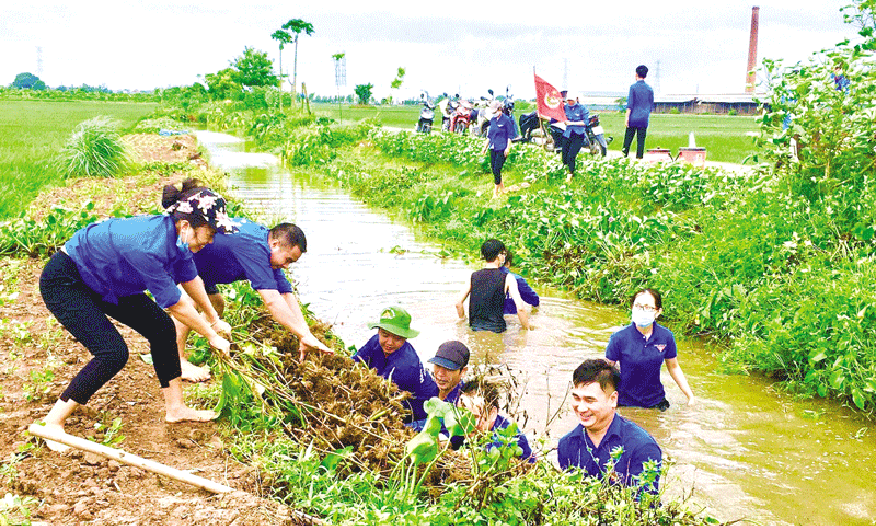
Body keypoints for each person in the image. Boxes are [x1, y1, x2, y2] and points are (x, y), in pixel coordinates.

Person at [37, 182, 236, 450]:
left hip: (109, 281)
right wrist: (211, 336)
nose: (210, 240)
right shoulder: (148, 246)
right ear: (187, 225)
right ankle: (52, 423)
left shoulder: (179, 241)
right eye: (209, 233)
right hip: (68, 280)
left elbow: (190, 279)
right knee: (112, 353)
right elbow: (176, 305)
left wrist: (213, 318)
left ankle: (176, 409)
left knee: (162, 329)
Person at [173, 209, 332, 381]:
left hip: (204, 268)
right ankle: (176, 361)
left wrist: (305, 333)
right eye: (288, 260)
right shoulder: (254, 247)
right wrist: (303, 335)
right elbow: (271, 301)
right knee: (188, 301)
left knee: (217, 306)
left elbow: (285, 294)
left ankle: (204, 341)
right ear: (276, 244)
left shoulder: (267, 246)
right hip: (183, 255)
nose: (287, 266)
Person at [557, 359, 662, 493]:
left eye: (590, 400)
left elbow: (645, 507)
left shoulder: (642, 447)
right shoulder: (566, 445)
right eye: (577, 398)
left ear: (613, 399)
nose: (581, 408)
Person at [605, 288, 695, 410]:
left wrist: (690, 396)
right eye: (638, 306)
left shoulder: (666, 336)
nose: (642, 310)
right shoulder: (619, 337)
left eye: (648, 307)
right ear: (632, 308)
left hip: (656, 401)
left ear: (658, 312)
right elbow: (606, 370)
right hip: (625, 402)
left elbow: (674, 367)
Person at [353, 306, 438, 422]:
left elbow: (380, 395)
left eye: (397, 338)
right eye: (385, 335)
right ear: (379, 332)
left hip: (418, 408)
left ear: (405, 338)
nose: (389, 343)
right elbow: (354, 361)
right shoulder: (375, 341)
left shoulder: (406, 365)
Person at [456, 239, 530, 333]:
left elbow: (458, 303)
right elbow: (520, 308)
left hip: (475, 329)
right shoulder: (508, 278)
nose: (504, 256)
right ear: (498, 256)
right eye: (503, 254)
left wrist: (463, 320)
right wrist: (526, 331)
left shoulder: (472, 276)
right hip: (498, 330)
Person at [458, 379, 534, 462]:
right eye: (462, 415)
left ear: (492, 414)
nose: (467, 423)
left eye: (474, 417)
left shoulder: (504, 439)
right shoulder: (467, 428)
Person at [482, 100, 515, 199]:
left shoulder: (506, 120)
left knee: (497, 168)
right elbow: (489, 136)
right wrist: (484, 148)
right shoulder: (492, 120)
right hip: (493, 147)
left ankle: (495, 193)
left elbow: (510, 135)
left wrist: (508, 148)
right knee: (494, 169)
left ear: (500, 109)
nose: (494, 113)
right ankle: (503, 189)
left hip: (502, 148)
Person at [621, 65, 655, 160]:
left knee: (627, 141)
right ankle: (639, 160)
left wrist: (627, 118)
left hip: (633, 118)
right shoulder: (649, 89)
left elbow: (630, 104)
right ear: (646, 75)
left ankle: (624, 158)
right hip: (643, 119)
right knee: (641, 142)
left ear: (636, 74)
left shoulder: (633, 87)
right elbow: (651, 106)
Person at [428, 340, 470, 404]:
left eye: (448, 368)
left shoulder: (464, 402)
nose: (440, 374)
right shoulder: (427, 386)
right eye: (438, 366)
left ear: (462, 372)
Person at [561, 90, 590, 182]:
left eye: (572, 101)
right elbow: (558, 116)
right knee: (564, 156)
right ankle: (566, 170)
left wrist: (572, 123)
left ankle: (571, 173)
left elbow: (585, 122)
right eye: (568, 100)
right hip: (567, 133)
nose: (570, 102)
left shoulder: (582, 108)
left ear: (576, 100)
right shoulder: (565, 108)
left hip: (578, 134)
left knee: (571, 155)